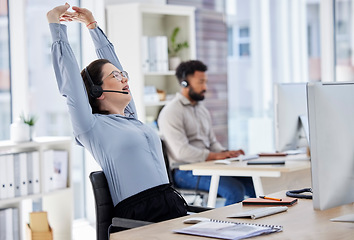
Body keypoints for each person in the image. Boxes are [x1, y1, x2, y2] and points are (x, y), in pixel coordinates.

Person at [47, 4, 188, 222]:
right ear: (97, 91)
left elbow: (113, 61)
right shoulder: (91, 126)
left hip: (171, 202)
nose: (124, 79)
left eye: (123, 75)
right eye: (116, 76)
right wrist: (55, 26)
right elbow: (71, 84)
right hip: (140, 216)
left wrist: (92, 25)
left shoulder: (131, 118)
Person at [158, 60, 256, 205]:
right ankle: (229, 227)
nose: (205, 87)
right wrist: (216, 155)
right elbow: (181, 152)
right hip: (185, 172)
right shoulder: (171, 112)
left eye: (206, 82)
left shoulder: (202, 110)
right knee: (234, 190)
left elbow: (212, 143)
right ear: (185, 83)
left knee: (252, 182)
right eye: (201, 82)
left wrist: (227, 153)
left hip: (207, 166)